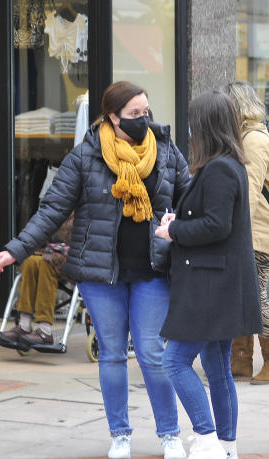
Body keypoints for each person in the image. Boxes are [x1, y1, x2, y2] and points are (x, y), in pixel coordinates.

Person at [0, 81, 190, 459]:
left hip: (152, 268)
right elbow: (51, 210)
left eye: (146, 112)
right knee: (113, 353)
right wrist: (16, 250)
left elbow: (190, 198)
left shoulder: (164, 150)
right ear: (112, 118)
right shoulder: (85, 156)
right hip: (101, 274)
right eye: (134, 115)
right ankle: (120, 435)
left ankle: (169, 434)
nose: (143, 120)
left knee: (150, 352)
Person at [156, 91, 262, 459]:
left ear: (204, 126)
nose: (189, 128)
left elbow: (216, 226)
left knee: (174, 361)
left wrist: (173, 231)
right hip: (219, 283)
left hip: (210, 286)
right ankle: (227, 446)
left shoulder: (219, 169)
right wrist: (181, 221)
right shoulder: (228, 165)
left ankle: (207, 438)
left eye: (192, 121)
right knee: (218, 369)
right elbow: (219, 222)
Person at [222, 81, 269, 384]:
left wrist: (233, 232)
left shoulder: (254, 139)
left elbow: (249, 192)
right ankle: (240, 358)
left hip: (259, 232)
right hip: (250, 231)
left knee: (262, 299)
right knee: (240, 297)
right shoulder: (241, 138)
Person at [0, 215, 73, 350]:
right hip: (53, 253)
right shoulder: (59, 204)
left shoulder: (85, 207)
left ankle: (45, 331)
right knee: (30, 262)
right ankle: (24, 325)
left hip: (76, 258)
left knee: (46, 264)